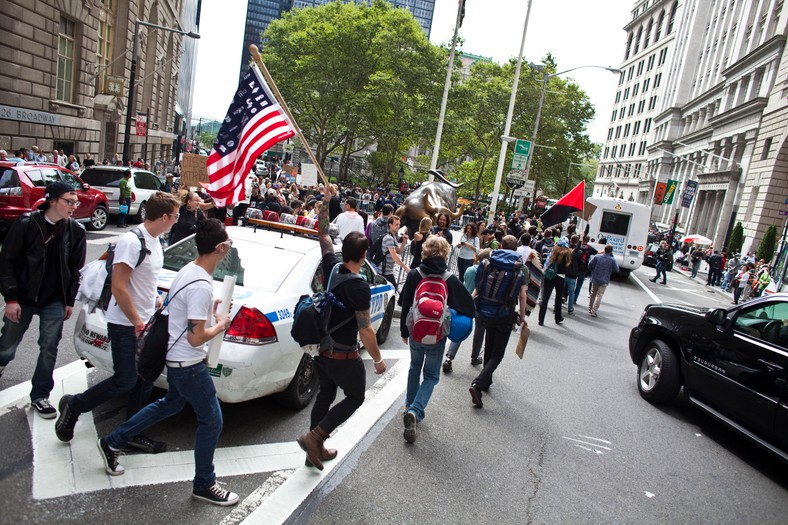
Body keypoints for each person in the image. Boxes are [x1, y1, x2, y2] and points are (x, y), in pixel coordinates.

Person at [96, 219, 238, 505]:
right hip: (188, 365)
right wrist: (221, 323)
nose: (230, 248)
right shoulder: (201, 284)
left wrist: (210, 311)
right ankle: (204, 483)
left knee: (170, 404)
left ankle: (113, 440)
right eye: (229, 244)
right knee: (212, 421)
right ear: (220, 248)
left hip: (177, 361)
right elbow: (197, 337)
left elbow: (186, 313)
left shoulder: (189, 271)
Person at [55, 192, 181, 452]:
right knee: (125, 380)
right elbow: (120, 287)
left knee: (144, 378)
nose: (177, 221)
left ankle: (133, 431)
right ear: (165, 216)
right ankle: (74, 404)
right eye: (176, 216)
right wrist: (136, 320)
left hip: (145, 319)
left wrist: (155, 298)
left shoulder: (156, 241)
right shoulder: (131, 242)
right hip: (125, 322)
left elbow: (144, 279)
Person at [297, 184, 386, 470]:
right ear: (363, 256)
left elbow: (323, 232)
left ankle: (314, 450)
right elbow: (365, 329)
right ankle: (317, 437)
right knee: (356, 397)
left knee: (325, 394)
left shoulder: (331, 265)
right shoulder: (360, 286)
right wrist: (378, 359)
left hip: (320, 348)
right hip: (343, 354)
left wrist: (325, 199)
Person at [0, 182, 87, 418]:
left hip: (55, 299)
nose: (73, 206)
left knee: (49, 346)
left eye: (75, 202)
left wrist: (69, 301)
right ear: (52, 201)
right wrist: (11, 298)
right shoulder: (27, 224)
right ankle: (1, 361)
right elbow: (7, 261)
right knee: (8, 341)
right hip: (23, 297)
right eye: (69, 201)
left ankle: (40, 395)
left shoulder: (75, 231)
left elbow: (75, 269)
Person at [400, 236, 475, 443]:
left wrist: (404, 332)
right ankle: (416, 411)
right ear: (445, 253)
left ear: (424, 251)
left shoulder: (415, 274)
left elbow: (406, 304)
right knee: (431, 376)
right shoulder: (449, 278)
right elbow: (469, 307)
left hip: (416, 330)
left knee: (415, 367)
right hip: (437, 336)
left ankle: (408, 405)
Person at [469, 235, 527, 408]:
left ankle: (486, 381)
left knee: (489, 345)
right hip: (505, 313)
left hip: (486, 310)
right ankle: (478, 384)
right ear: (516, 249)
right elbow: (523, 295)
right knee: (498, 353)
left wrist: (470, 304)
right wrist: (522, 318)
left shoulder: (490, 262)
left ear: (501, 245)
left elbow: (478, 288)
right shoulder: (520, 267)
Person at [442, 248, 491, 373]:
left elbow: (464, 284)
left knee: (460, 328)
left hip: (464, 302)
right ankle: (475, 356)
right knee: (479, 332)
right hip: (479, 304)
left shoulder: (470, 270)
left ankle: (449, 358)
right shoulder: (488, 273)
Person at [538, 239, 573, 326]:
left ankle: (541, 319)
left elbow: (548, 262)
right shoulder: (568, 253)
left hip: (549, 275)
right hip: (560, 277)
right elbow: (568, 266)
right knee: (558, 298)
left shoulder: (553, 250)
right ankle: (558, 317)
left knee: (545, 298)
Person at [588, 245, 619, 317]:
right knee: (600, 295)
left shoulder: (597, 257)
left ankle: (590, 308)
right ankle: (594, 311)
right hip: (604, 279)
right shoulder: (612, 260)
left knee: (593, 293)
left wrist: (592, 270)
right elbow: (616, 269)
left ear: (604, 250)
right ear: (611, 251)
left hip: (595, 277)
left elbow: (590, 265)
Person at [380, 215, 410, 289]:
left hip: (388, 271)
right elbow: (394, 256)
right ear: (390, 225)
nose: (398, 226)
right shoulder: (389, 238)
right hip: (383, 271)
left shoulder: (393, 237)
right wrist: (405, 267)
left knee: (392, 290)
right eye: (396, 224)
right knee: (393, 289)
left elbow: (399, 251)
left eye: (399, 224)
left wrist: (404, 241)